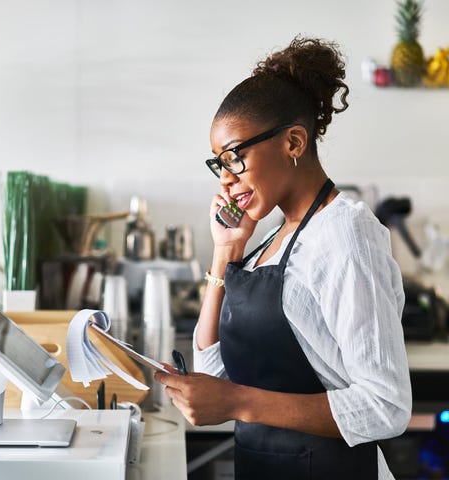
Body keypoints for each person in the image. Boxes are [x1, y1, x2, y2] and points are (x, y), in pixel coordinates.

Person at [155, 36, 412, 480]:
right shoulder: (271, 237)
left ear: (293, 142)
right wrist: (225, 251)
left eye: (235, 157)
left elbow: (386, 405)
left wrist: (236, 403)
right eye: (219, 165)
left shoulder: (345, 233)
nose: (227, 180)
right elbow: (214, 368)